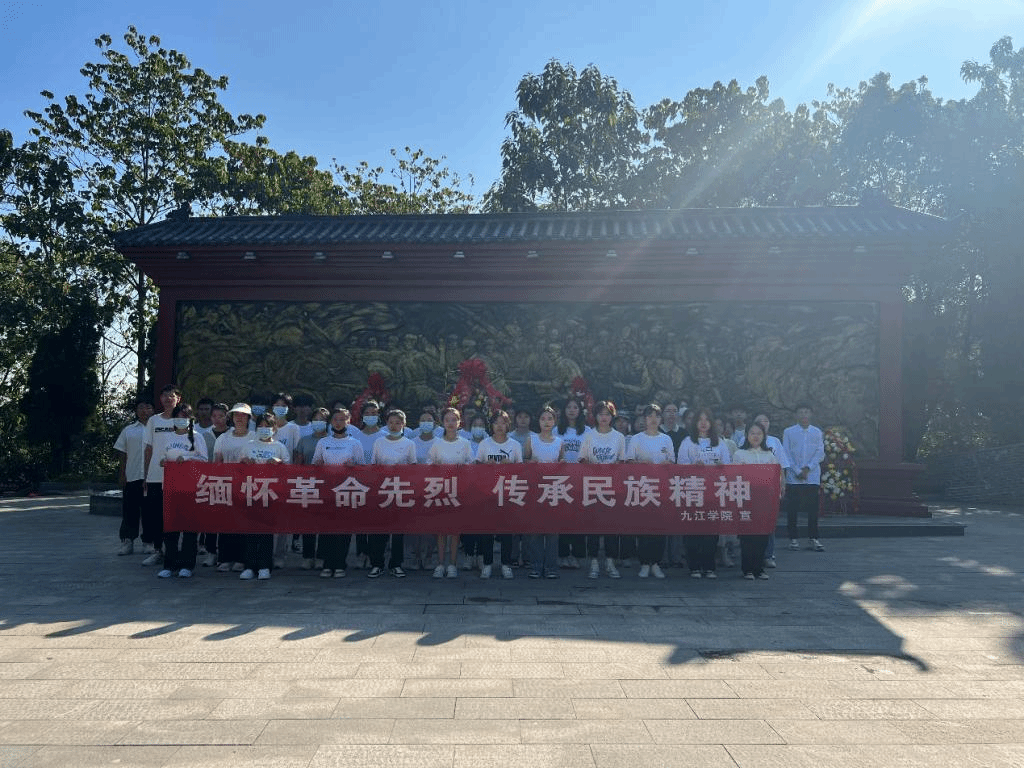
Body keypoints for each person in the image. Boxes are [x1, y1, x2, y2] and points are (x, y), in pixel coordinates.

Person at [156, 402, 208, 579]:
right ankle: (170, 564)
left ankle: (187, 564)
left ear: (190, 419)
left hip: (190, 487)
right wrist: (163, 461)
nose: (181, 420)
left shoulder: (197, 437)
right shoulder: (168, 437)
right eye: (178, 417)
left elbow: (204, 460)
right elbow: (162, 456)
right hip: (171, 487)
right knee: (170, 527)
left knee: (189, 528)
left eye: (184, 417)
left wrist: (186, 458)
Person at [677, 407, 730, 579]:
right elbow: (680, 466)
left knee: (711, 531)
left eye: (707, 419)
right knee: (693, 530)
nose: (703, 423)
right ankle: (694, 566)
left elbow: (728, 466)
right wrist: (694, 466)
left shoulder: (719, 442)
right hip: (693, 490)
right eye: (700, 419)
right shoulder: (687, 442)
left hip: (713, 492)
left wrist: (720, 466)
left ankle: (709, 566)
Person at [312, 407, 364, 578]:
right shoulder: (323, 442)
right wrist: (318, 465)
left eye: (342, 419)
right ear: (331, 422)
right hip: (327, 490)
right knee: (327, 528)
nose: (339, 422)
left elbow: (362, 468)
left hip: (346, 490)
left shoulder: (354, 443)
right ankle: (327, 564)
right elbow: (315, 464)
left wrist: (353, 467)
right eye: (335, 419)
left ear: (348, 422)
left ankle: (340, 563)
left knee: (343, 528)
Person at [238, 412, 290, 581]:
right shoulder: (248, 446)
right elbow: (238, 469)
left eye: (267, 426)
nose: (263, 429)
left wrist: (279, 463)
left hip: (270, 494)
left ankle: (265, 566)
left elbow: (289, 471)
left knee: (267, 532)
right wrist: (245, 462)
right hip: (251, 492)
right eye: (260, 426)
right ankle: (249, 566)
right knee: (251, 531)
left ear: (274, 429)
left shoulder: (279, 447)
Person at [625, 403, 674, 579]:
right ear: (644, 419)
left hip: (661, 488)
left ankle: (656, 563)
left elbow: (672, 462)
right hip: (642, 487)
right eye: (650, 416)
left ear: (661, 419)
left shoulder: (666, 439)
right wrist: (641, 464)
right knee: (643, 526)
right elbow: (629, 461)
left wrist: (666, 464)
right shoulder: (636, 439)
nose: (653, 419)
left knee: (659, 527)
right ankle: (645, 563)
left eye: (656, 416)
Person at [578, 400, 626, 579]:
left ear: (612, 417)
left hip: (613, 487)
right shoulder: (589, 436)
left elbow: (622, 460)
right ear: (595, 416)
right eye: (600, 414)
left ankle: (610, 562)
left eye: (607, 414)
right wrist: (592, 466)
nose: (604, 417)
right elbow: (582, 458)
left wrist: (614, 467)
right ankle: (594, 562)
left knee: (612, 527)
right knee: (593, 527)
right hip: (592, 486)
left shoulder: (619, 437)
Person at [426, 407, 474, 579]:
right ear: (442, 423)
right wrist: (435, 466)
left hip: (459, 491)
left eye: (454, 420)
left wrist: (464, 467)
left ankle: (452, 564)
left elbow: (472, 464)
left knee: (455, 530)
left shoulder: (465, 443)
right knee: (441, 530)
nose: (451, 423)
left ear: (459, 422)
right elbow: (428, 463)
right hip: (440, 489)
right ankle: (440, 564)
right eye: (447, 420)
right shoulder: (437, 443)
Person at [475, 410, 523, 579]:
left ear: (508, 425)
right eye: (496, 423)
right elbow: (476, 466)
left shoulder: (514, 445)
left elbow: (522, 470)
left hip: (508, 492)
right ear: (491, 425)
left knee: (506, 531)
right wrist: (485, 466)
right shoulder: (484, 444)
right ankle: (487, 564)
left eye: (503, 422)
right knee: (487, 530)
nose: (500, 426)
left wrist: (511, 465)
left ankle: (506, 564)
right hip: (488, 492)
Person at [368, 409, 416, 578]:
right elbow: (373, 465)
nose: (394, 426)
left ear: (403, 424)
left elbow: (413, 467)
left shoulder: (409, 444)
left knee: (398, 531)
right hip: (382, 489)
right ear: (386, 424)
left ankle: (396, 564)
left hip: (400, 490)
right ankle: (377, 564)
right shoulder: (379, 442)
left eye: (397, 423)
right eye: (391, 422)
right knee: (379, 530)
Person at [141, 384, 184, 567]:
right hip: (156, 476)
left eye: (172, 395)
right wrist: (145, 475)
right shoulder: (154, 421)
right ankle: (158, 551)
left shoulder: (183, 421)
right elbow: (148, 449)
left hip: (179, 478)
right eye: (165, 395)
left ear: (178, 399)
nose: (168, 399)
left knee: (177, 516)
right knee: (156, 516)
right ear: (160, 399)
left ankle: (176, 552)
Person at [732, 421, 782, 579]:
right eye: (752, 433)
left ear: (764, 436)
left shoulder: (769, 455)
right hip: (746, 499)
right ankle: (747, 569)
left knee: (762, 534)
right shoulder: (739, 454)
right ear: (747, 435)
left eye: (759, 433)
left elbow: (776, 478)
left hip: (765, 500)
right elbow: (734, 477)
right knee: (747, 534)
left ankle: (759, 568)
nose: (755, 436)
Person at [212, 403, 255, 573]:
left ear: (249, 418)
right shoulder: (223, 438)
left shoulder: (255, 437)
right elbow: (217, 461)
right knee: (226, 523)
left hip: (248, 486)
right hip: (227, 485)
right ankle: (225, 558)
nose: (239, 418)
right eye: (236, 415)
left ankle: (242, 559)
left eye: (243, 415)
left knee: (245, 524)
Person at [525, 405, 565, 579]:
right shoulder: (531, 440)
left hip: (554, 490)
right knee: (535, 531)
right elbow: (524, 461)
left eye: (550, 419)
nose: (546, 422)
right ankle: (535, 565)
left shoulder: (559, 442)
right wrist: (530, 463)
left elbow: (562, 462)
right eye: (543, 419)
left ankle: (551, 567)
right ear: (538, 421)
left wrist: (562, 464)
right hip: (535, 489)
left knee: (552, 532)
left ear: (554, 421)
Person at [782, 404, 826, 552]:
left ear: (811, 414)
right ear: (796, 415)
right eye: (801, 412)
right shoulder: (789, 432)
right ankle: (793, 538)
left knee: (813, 509)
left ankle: (813, 538)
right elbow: (786, 453)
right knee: (792, 508)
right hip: (794, 476)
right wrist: (796, 470)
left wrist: (808, 468)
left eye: (806, 412)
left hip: (812, 475)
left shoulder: (817, 432)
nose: (804, 415)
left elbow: (820, 453)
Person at [113, 398, 153, 555]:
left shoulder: (158, 430)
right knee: (130, 510)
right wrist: (122, 474)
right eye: (141, 407)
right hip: (133, 476)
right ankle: (127, 541)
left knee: (149, 511)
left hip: (152, 478)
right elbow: (122, 454)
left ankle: (149, 542)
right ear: (136, 411)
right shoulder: (128, 430)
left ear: (153, 410)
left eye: (148, 407)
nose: (145, 411)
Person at [752, 413, 793, 569]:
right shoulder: (745, 439)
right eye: (759, 421)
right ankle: (753, 554)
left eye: (766, 420)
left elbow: (781, 464)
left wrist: (782, 483)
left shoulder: (774, 441)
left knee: (769, 521)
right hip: (751, 487)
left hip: (770, 487)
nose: (763, 423)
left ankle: (768, 554)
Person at [295, 407, 330, 569]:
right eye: (316, 419)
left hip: (327, 486)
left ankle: (322, 556)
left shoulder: (332, 440)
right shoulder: (304, 440)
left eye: (322, 419)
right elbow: (298, 463)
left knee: (324, 523)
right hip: (308, 485)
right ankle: (308, 556)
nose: (318, 422)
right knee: (308, 523)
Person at [556, 397, 589, 568]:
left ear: (580, 411)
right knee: (562, 519)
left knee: (578, 519)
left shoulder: (587, 431)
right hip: (560, 481)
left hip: (580, 481)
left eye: (575, 407)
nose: (571, 410)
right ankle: (562, 554)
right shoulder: (556, 431)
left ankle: (577, 555)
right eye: (568, 407)